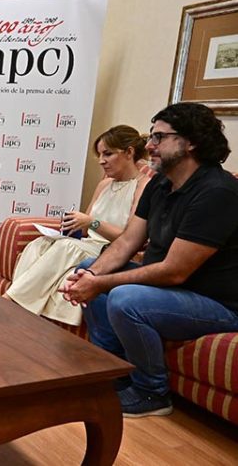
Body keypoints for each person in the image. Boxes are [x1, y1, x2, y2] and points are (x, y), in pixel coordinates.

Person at [62, 102, 238, 418]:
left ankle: (151, 391)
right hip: (171, 291)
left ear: (191, 142)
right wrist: (91, 276)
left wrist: (100, 283)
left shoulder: (217, 192)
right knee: (90, 267)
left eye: (158, 138)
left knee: (125, 298)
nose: (149, 146)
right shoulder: (159, 181)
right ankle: (113, 370)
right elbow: (129, 240)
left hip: (215, 303)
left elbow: (174, 272)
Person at [6, 125, 149, 325]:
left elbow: (129, 239)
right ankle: (24, 309)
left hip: (110, 250)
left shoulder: (144, 187)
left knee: (66, 247)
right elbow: (84, 228)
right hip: (87, 243)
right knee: (40, 244)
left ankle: (11, 303)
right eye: (99, 155)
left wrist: (92, 222)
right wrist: (73, 224)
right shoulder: (104, 184)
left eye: (108, 154)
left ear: (129, 152)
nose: (101, 161)